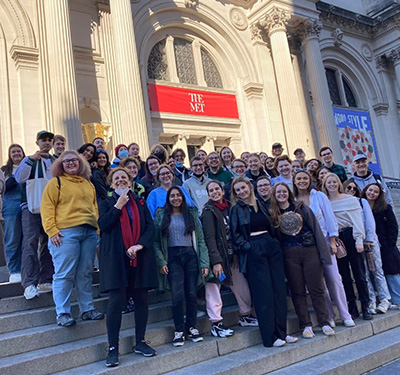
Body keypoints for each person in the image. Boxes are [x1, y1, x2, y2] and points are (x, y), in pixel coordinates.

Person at [98, 167, 158, 367]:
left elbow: (150, 227)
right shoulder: (106, 203)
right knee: (116, 302)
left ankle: (140, 341)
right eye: (117, 178)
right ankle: (113, 348)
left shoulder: (140, 202)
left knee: (141, 298)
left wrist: (139, 245)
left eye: (124, 177)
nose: (121, 180)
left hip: (138, 256)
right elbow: (104, 225)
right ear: (111, 182)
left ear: (131, 182)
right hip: (116, 260)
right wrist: (118, 205)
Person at [230, 177, 297, 347]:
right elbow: (234, 234)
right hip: (253, 249)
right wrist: (247, 247)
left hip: (270, 246)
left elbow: (272, 225)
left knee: (278, 290)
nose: (241, 192)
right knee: (263, 293)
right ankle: (270, 337)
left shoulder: (261, 204)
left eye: (243, 188)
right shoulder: (236, 209)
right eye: (237, 190)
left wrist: (274, 243)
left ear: (250, 188)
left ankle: (282, 332)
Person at [41, 151, 104, 327]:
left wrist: (97, 230)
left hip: (89, 232)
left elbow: (94, 208)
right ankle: (63, 313)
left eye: (74, 160)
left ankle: (87, 309)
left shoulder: (88, 183)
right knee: (64, 273)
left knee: (85, 273)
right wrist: (51, 231)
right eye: (66, 161)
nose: (70, 163)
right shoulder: (56, 182)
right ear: (60, 165)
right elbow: (47, 208)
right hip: (65, 233)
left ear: (81, 162)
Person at [270, 182, 335, 338]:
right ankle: (305, 324)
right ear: (274, 194)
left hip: (309, 250)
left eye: (284, 191)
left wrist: (323, 253)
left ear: (289, 192)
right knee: (297, 291)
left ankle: (324, 322)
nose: (281, 194)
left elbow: (316, 229)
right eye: (278, 192)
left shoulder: (301, 207)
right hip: (289, 253)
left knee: (317, 288)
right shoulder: (273, 213)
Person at [293, 171, 355, 327]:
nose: (302, 181)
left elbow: (330, 218)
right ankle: (329, 315)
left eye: (305, 178)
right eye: (299, 178)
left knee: (334, 279)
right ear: (294, 181)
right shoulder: (292, 200)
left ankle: (345, 314)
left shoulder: (319, 196)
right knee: (319, 283)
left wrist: (333, 241)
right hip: (306, 245)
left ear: (310, 180)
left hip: (325, 242)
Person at [153, 186, 209, 346]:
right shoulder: (161, 215)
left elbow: (200, 240)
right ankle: (179, 330)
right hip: (172, 257)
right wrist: (161, 261)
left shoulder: (190, 214)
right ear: (168, 199)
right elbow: (156, 242)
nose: (176, 198)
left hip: (190, 255)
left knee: (192, 294)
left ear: (183, 198)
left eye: (178, 195)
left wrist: (204, 262)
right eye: (172, 196)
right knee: (177, 296)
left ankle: (191, 327)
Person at [201, 180, 258, 337]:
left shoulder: (231, 208)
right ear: (208, 194)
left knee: (242, 288)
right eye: (211, 190)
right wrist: (216, 261)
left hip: (233, 256)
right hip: (218, 257)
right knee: (213, 290)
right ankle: (216, 323)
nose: (214, 192)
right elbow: (210, 238)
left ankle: (245, 315)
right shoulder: (208, 211)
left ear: (223, 191)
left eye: (217, 189)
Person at [322, 173, 373, 320]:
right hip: (337, 239)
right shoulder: (325, 202)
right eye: (328, 182)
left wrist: (359, 240)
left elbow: (357, 220)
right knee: (344, 275)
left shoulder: (350, 200)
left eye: (334, 182)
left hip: (351, 235)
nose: (331, 185)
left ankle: (365, 305)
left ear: (338, 184)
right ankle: (351, 305)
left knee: (359, 273)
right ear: (325, 185)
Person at [15, 130, 55, 299]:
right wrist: (30, 160)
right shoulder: (29, 160)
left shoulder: (55, 161)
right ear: (37, 142)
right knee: (30, 243)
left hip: (51, 208)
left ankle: (46, 279)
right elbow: (19, 178)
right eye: (43, 140)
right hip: (30, 208)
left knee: (50, 243)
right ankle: (29, 284)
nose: (46, 143)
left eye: (49, 140)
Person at [343, 180, 391, 314]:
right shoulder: (342, 203)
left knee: (376, 270)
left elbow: (369, 221)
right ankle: (371, 301)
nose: (351, 190)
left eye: (354, 188)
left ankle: (384, 299)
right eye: (349, 187)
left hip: (369, 241)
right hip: (354, 242)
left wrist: (369, 239)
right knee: (363, 272)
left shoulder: (361, 202)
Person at [361, 183, 400, 309]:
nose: (372, 193)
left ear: (379, 195)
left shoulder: (385, 208)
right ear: (365, 190)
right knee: (374, 271)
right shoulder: (360, 206)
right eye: (370, 190)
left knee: (391, 272)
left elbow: (393, 227)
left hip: (386, 245)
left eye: (375, 192)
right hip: (369, 245)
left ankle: (397, 299)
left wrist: (389, 244)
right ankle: (382, 299)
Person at [2, 144, 25, 282]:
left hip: (26, 204)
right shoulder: (4, 170)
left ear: (23, 153)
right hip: (10, 206)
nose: (16, 154)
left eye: (18, 151)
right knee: (12, 238)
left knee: (27, 239)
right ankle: (14, 270)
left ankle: (25, 268)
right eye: (13, 152)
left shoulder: (30, 167)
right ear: (10, 155)